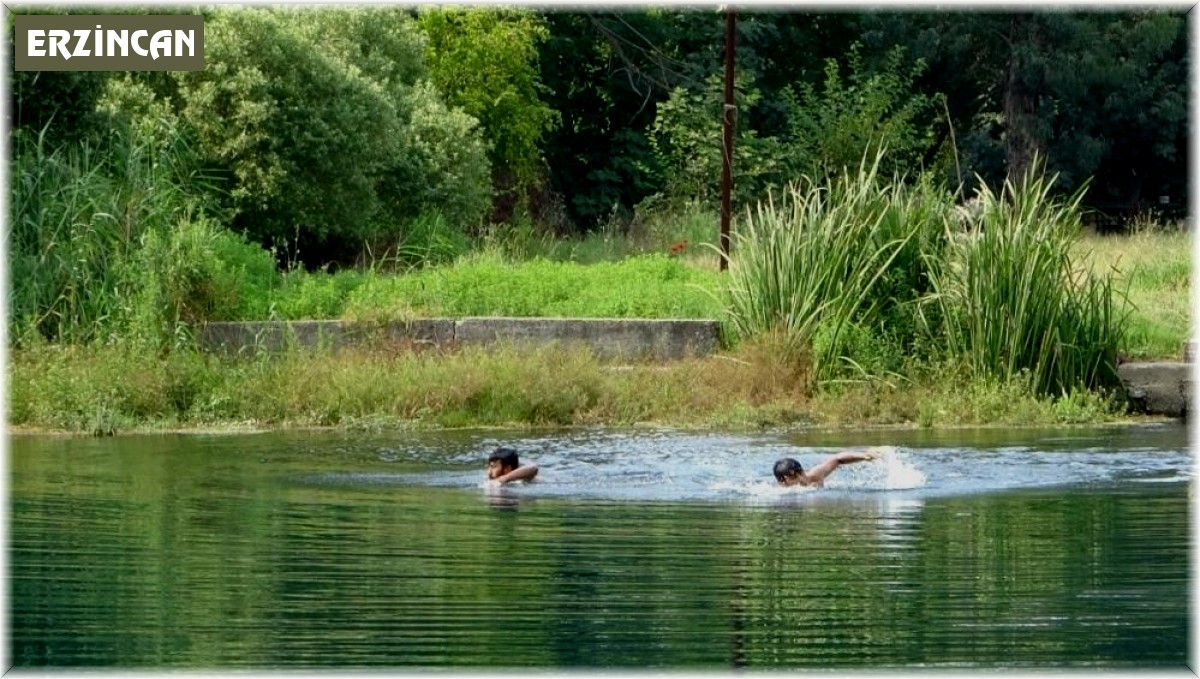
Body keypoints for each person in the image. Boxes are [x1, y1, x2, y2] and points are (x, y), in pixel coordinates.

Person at [773, 449, 879, 488]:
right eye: (795, 480)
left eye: (800, 475)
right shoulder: (782, 493)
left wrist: (863, 456)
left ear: (802, 471)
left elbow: (837, 459)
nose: (802, 481)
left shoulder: (815, 475)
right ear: (784, 481)